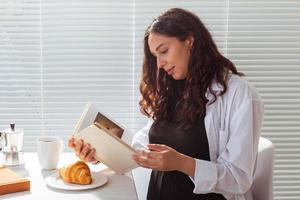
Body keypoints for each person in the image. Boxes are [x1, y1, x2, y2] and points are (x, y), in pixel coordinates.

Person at [68, 8, 264, 200]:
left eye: (164, 51)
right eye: (155, 56)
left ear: (189, 40)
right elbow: (140, 150)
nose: (160, 63)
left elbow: (239, 179)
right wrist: (98, 153)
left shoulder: (240, 94)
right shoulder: (171, 92)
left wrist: (182, 163)